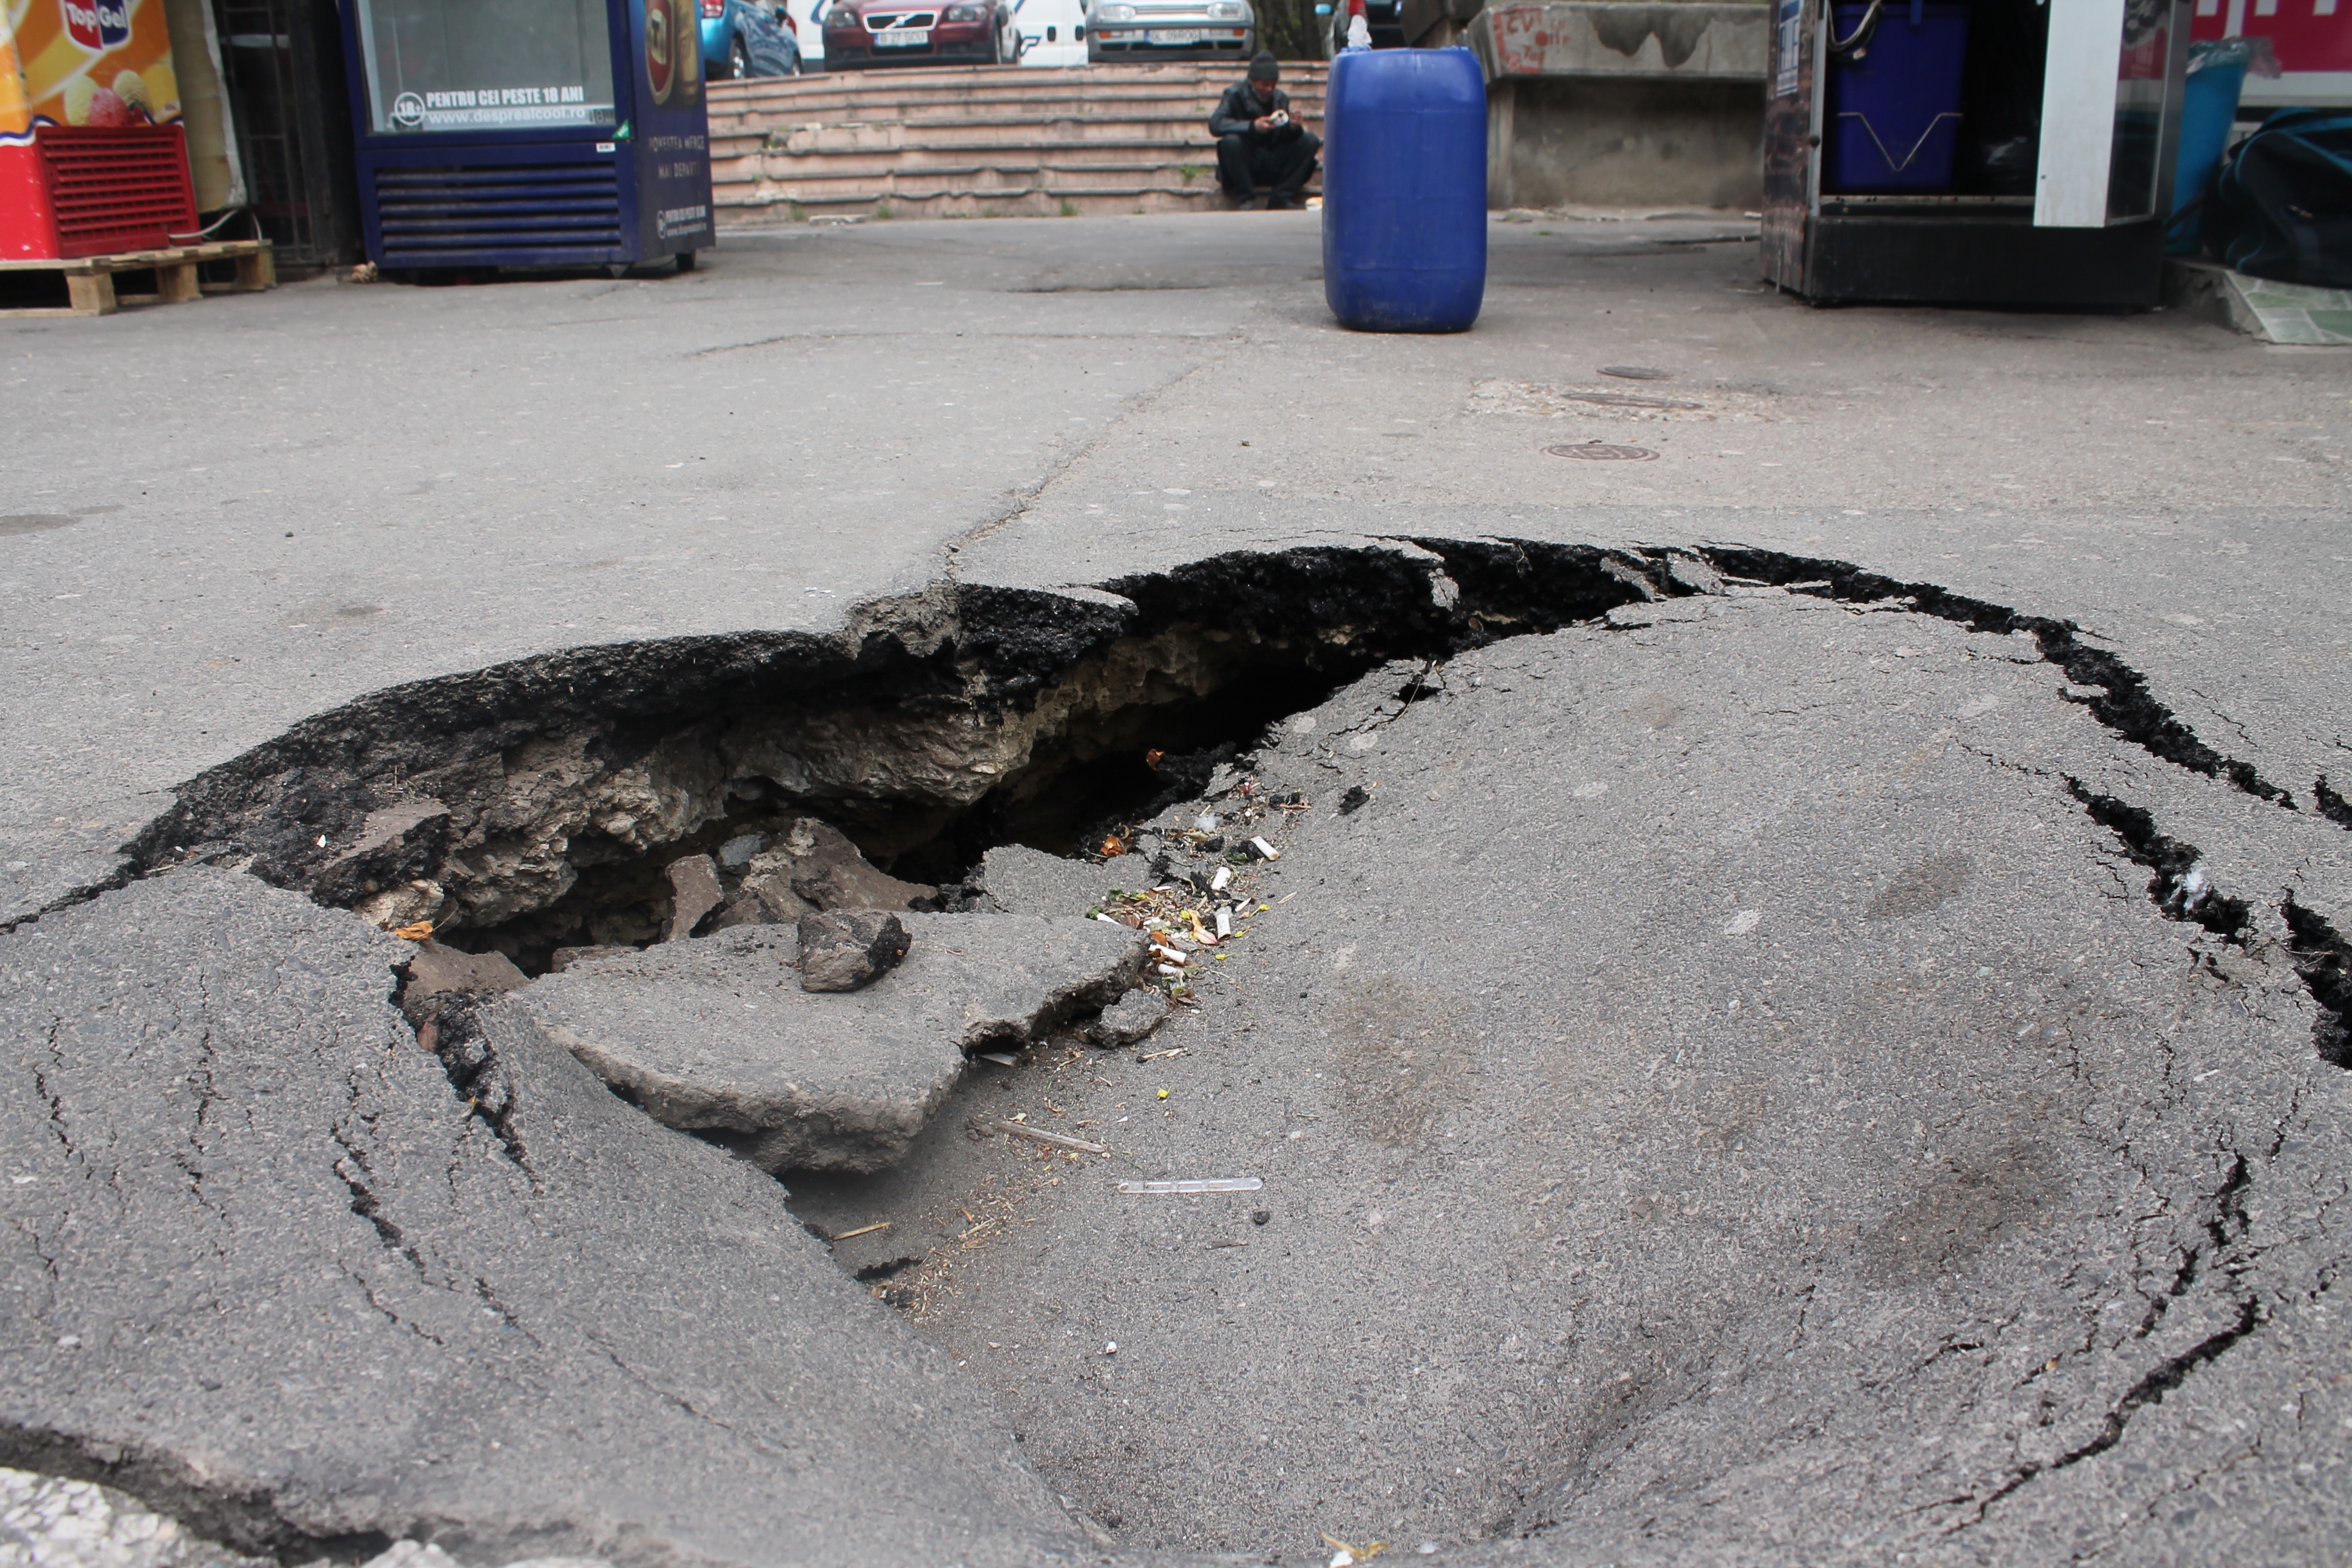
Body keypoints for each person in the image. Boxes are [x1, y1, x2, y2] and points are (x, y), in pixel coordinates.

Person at [1210, 52, 1320, 210]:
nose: (1269, 89)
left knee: (1310, 140)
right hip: (1245, 161)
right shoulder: (1234, 95)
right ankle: (1246, 199)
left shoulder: (1281, 98)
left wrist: (1293, 128)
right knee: (1231, 142)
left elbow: (1283, 137)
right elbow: (1216, 124)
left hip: (1272, 159)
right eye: (1265, 84)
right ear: (1252, 81)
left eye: (1273, 85)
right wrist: (1252, 126)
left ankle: (1281, 197)